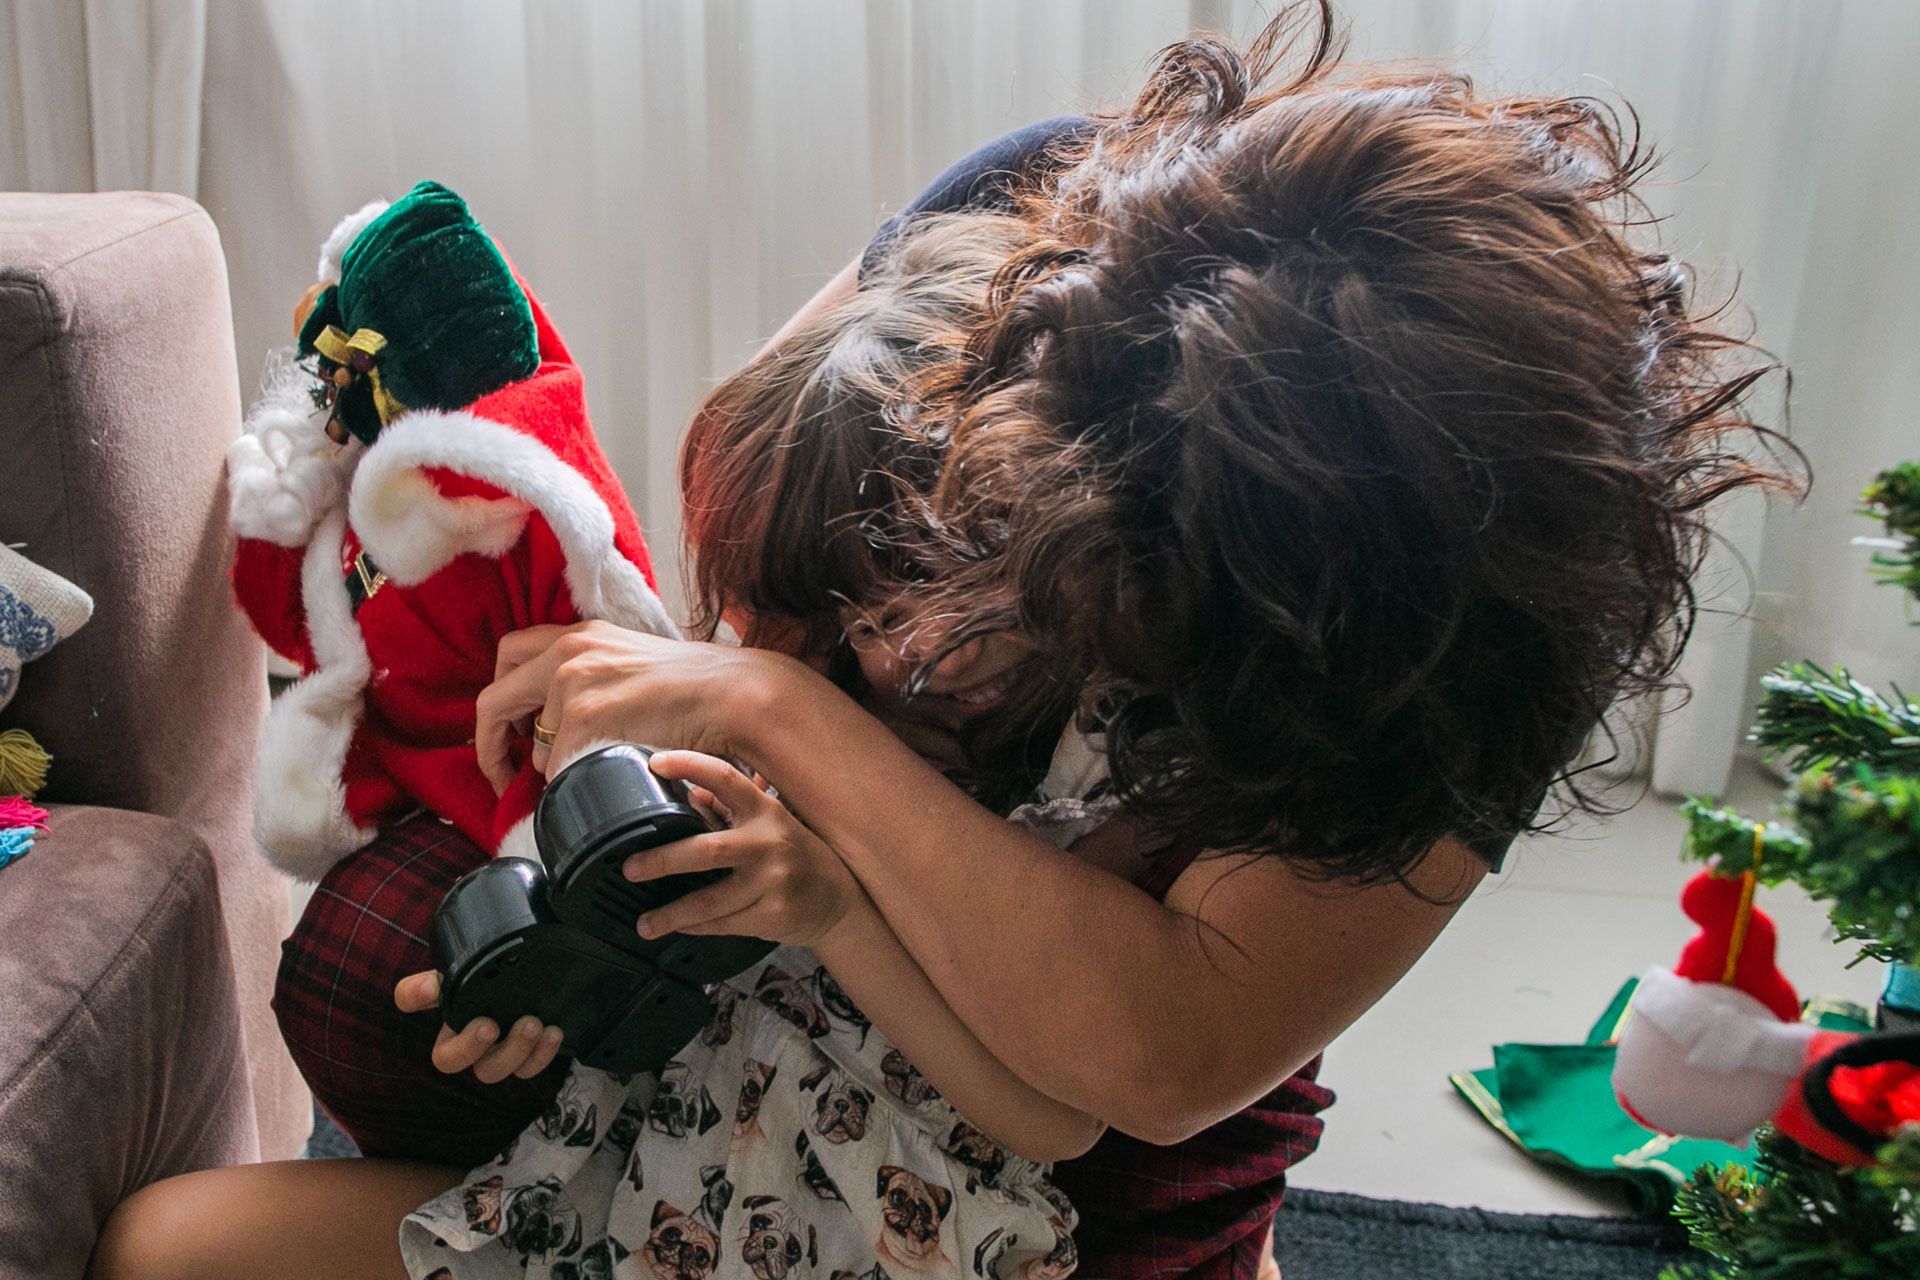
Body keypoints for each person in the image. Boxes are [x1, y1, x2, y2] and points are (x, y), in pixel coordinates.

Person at [90, 4, 1795, 1277]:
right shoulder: (1030, 240)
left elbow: (1155, 1063)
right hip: (753, 1088)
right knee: (356, 993)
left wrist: (787, 730)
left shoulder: (1463, 659)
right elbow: (754, 534)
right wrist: (678, 839)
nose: (915, 655)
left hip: (1008, 1156)